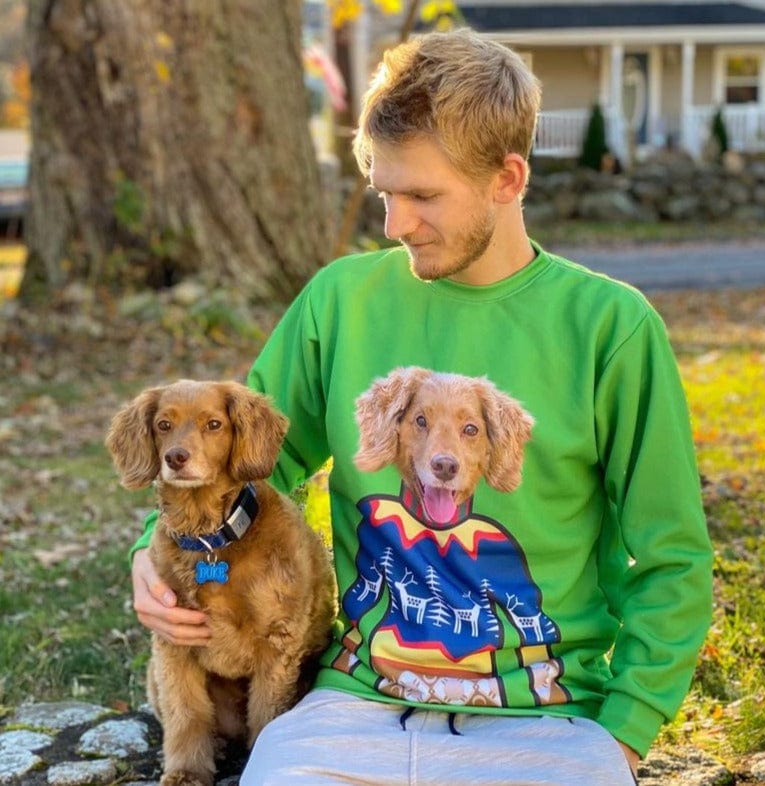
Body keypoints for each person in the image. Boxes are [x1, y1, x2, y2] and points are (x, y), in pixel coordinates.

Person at [129, 28, 713, 785]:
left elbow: (670, 556)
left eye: (422, 196)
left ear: (508, 179)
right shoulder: (338, 302)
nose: (393, 225)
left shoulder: (612, 327)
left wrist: (624, 732)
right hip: (349, 713)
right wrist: (154, 543)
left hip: (547, 718)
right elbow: (242, 461)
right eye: (383, 192)